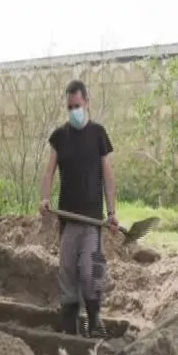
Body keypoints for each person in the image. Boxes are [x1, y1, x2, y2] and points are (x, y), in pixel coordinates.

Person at [39, 80, 119, 338]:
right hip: (68, 219)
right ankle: (71, 324)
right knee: (67, 272)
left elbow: (108, 176)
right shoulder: (60, 137)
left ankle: (96, 320)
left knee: (91, 269)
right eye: (70, 107)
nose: (74, 110)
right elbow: (49, 171)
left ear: (87, 102)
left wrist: (112, 212)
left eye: (77, 105)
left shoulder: (98, 135)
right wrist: (45, 199)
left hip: (93, 221)